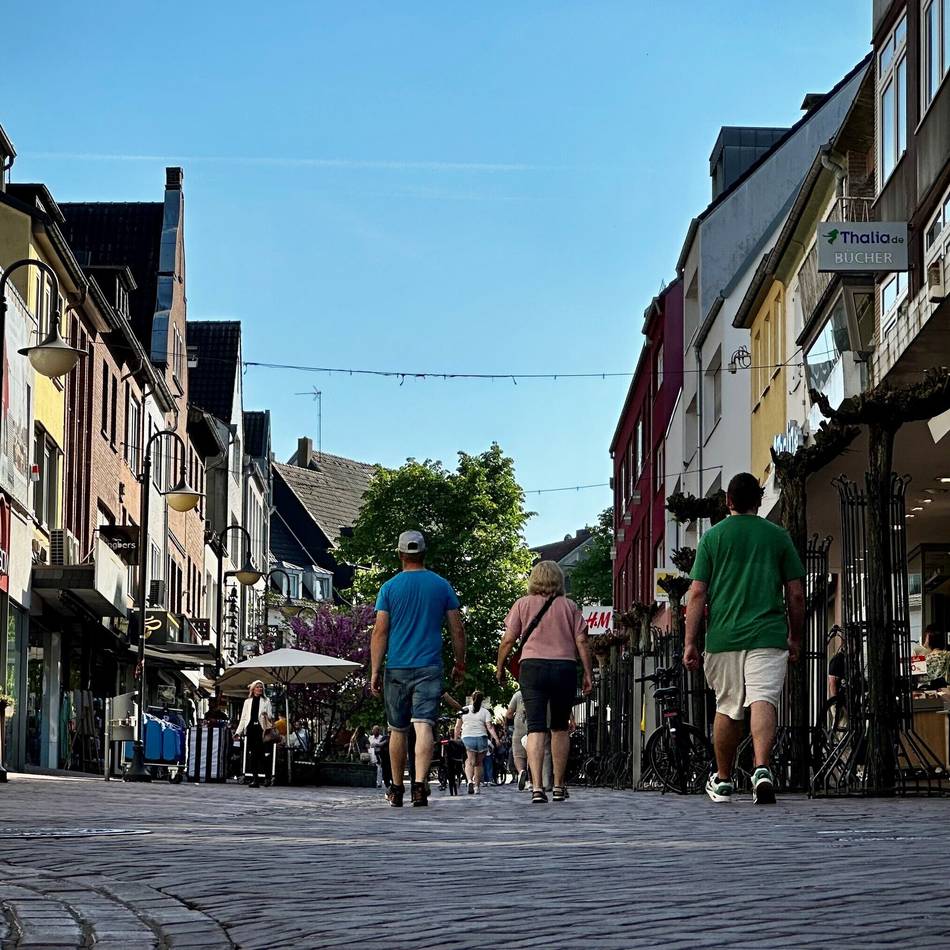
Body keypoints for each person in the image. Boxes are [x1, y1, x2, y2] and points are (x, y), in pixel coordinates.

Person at [684, 472, 805, 806]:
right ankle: (762, 768)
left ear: (728, 502)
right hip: (768, 634)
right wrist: (795, 637)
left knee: (728, 707)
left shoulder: (712, 538)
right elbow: (795, 594)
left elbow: (696, 594)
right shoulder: (777, 536)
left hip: (723, 637)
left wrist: (690, 641)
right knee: (763, 699)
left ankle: (723, 781)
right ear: (760, 499)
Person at [370, 530, 466, 807]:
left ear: (400, 555)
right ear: (424, 553)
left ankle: (397, 788)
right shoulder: (441, 585)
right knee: (424, 726)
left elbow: (380, 631)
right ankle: (421, 786)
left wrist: (375, 670)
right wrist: (459, 664)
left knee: (397, 730)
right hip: (429, 666)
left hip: (397, 667)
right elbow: (457, 629)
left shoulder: (389, 588)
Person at [496, 560, 594, 804]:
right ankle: (559, 785)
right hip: (564, 667)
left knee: (536, 727)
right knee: (560, 727)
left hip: (532, 667)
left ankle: (537, 787)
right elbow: (582, 641)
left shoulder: (522, 604)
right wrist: (588, 673)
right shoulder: (570, 606)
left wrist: (500, 666)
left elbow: (508, 640)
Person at [455, 692, 499, 795]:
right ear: (482, 700)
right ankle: (477, 787)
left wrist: (456, 738)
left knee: (469, 761)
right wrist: (496, 739)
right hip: (481, 739)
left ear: (471, 698)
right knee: (478, 763)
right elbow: (490, 727)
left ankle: (469, 780)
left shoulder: (463, 710)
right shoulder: (485, 712)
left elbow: (457, 727)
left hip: (467, 738)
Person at [234, 680, 274, 788]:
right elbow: (243, 718)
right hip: (251, 729)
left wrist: (266, 714)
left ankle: (267, 777)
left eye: (261, 687)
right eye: (257, 687)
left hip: (261, 730)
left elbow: (270, 716)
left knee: (261, 755)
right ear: (253, 689)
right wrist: (238, 732)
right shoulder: (247, 702)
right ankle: (255, 779)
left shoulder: (266, 701)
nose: (260, 689)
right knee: (253, 755)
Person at [507, 689, 529, 790]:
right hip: (535, 728)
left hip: (519, 729)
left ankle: (521, 771)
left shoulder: (518, 695)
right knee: (532, 754)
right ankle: (532, 780)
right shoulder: (541, 690)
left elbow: (509, 713)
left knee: (518, 755)